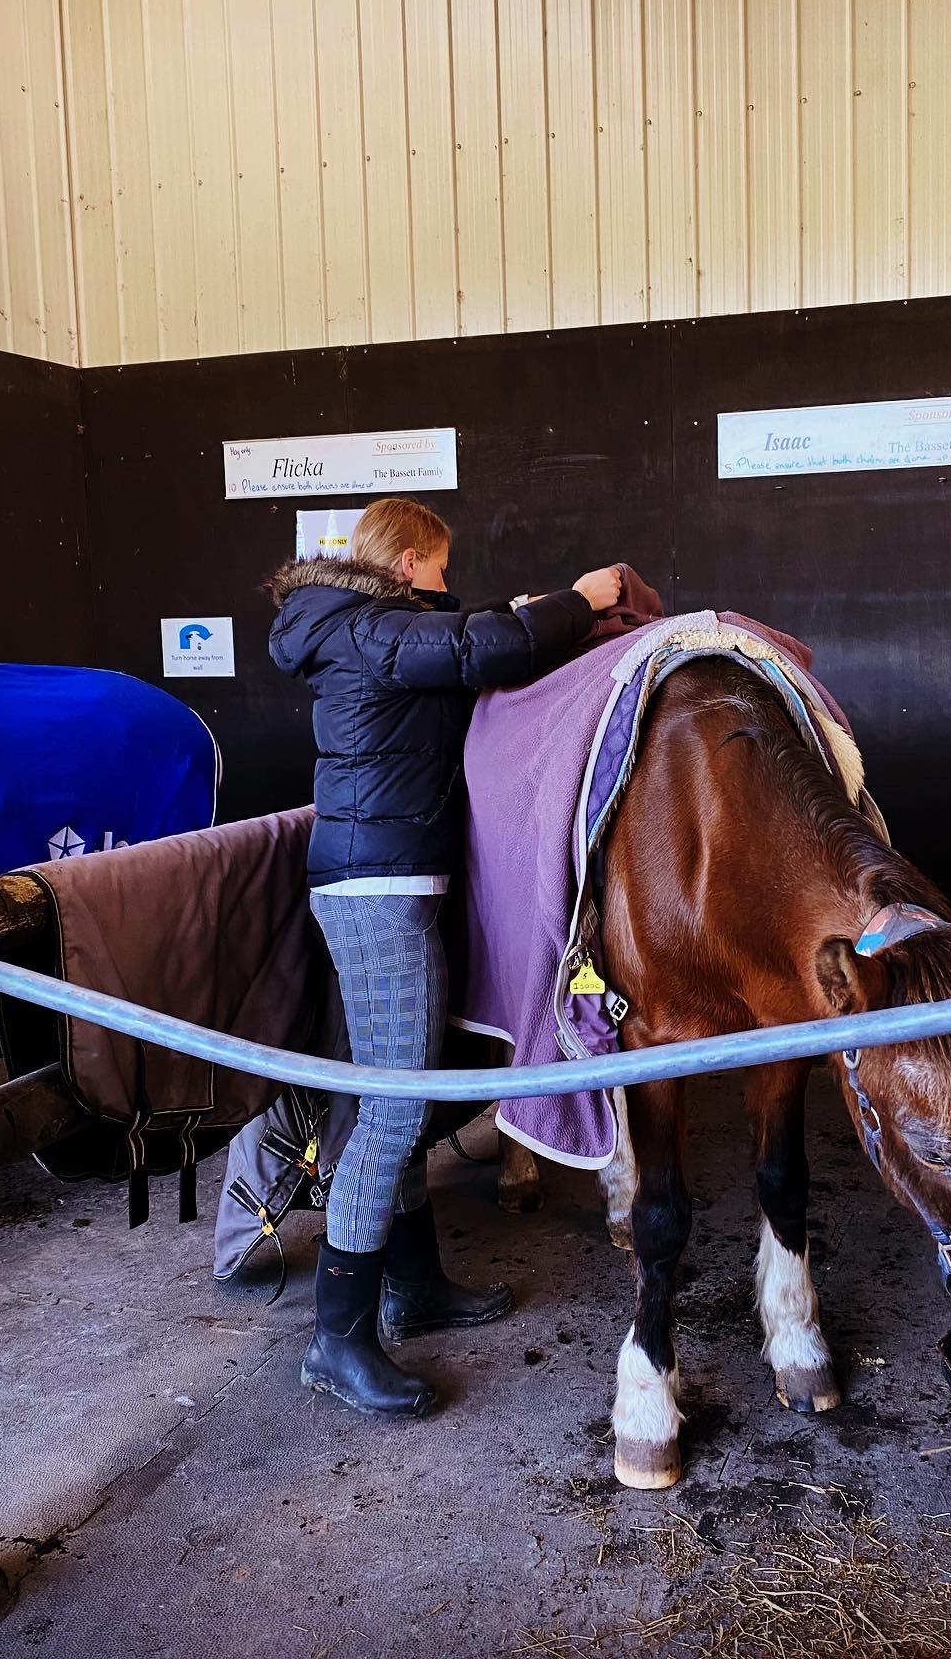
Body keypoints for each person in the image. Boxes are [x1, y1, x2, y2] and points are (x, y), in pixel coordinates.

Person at [269, 498, 622, 1416]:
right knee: (392, 1109)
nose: (445, 582)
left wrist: (525, 609)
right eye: (441, 567)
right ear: (414, 559)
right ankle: (335, 1340)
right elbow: (475, 650)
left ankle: (412, 1286)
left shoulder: (359, 628)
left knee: (403, 1095)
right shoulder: (374, 630)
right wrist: (580, 602)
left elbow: (464, 643)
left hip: (383, 880)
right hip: (380, 890)